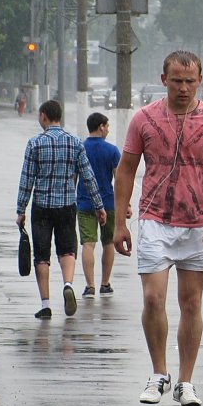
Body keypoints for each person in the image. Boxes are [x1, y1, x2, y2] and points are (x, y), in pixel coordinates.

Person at [114, 50, 203, 406]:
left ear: (201, 81)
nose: (183, 88)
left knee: (191, 302)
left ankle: (186, 381)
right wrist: (120, 221)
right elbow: (125, 170)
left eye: (190, 81)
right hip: (155, 221)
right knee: (153, 298)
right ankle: (158, 374)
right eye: (177, 81)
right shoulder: (144, 119)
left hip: (198, 224)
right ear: (163, 79)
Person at [16, 100, 107, 319]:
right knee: (67, 250)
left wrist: (21, 209)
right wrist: (99, 206)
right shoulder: (75, 143)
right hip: (67, 206)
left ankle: (46, 305)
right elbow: (88, 176)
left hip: (42, 207)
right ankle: (68, 284)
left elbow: (27, 180)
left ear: (44, 116)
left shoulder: (34, 144)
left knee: (42, 256)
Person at [77, 112, 127, 299]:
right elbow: (119, 179)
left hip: (84, 203)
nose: (108, 129)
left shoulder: (80, 148)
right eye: (107, 126)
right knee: (108, 243)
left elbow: (74, 178)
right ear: (100, 127)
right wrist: (126, 204)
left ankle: (89, 287)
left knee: (88, 244)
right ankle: (104, 284)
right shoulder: (112, 150)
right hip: (108, 203)